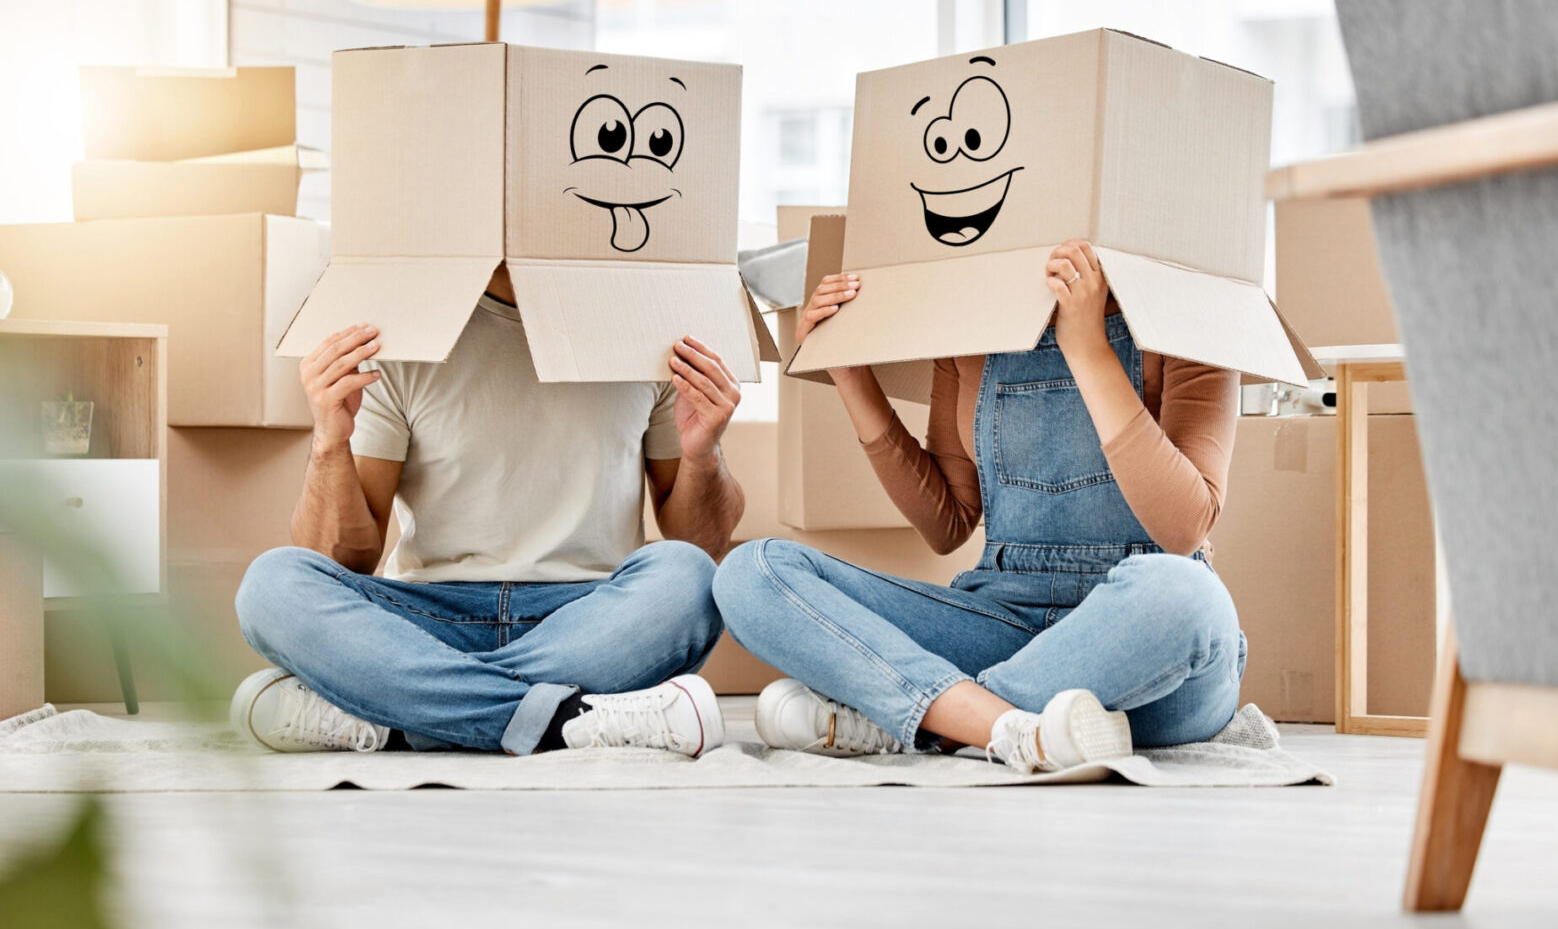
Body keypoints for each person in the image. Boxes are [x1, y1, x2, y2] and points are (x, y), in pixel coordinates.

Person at [713, 240, 1246, 774]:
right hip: (1004, 618)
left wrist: (1086, 346)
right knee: (751, 572)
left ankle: (927, 721)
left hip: (1145, 651)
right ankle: (1005, 726)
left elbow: (1184, 529)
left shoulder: (1187, 303)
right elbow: (946, 524)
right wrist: (849, 375)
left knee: (1188, 595)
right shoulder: (973, 316)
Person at [231, 274, 746, 758]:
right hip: (427, 618)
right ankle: (566, 719)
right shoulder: (396, 336)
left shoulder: (645, 334)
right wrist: (328, 442)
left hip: (585, 616)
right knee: (273, 583)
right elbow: (343, 558)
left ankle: (402, 719)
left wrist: (704, 454)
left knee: (690, 577)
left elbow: (700, 540)